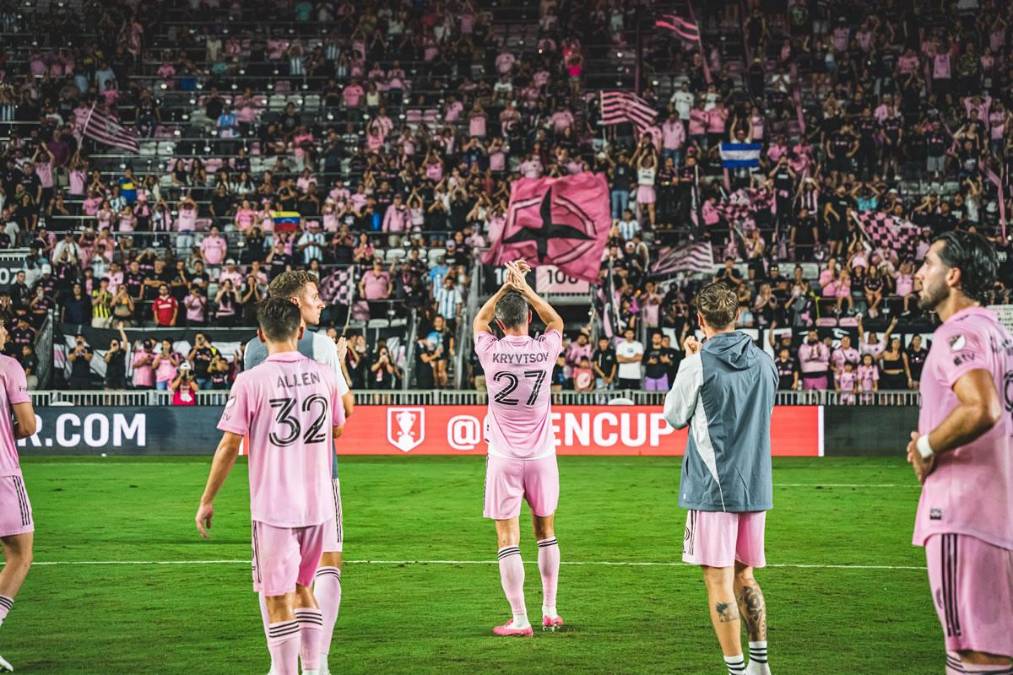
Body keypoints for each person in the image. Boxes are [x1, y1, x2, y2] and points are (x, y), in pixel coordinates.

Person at [196, 297, 346, 675]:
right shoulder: (325, 375)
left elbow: (229, 444)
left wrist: (207, 500)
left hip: (275, 508)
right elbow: (337, 428)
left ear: (261, 335)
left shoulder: (251, 381)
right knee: (304, 587)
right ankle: (314, 669)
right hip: (318, 506)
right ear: (300, 330)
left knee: (277, 597)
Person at [906, 231, 1012, 675]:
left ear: (953, 275)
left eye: (927, 264)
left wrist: (926, 444)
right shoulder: (997, 333)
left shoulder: (958, 333)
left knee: (973, 658)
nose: (918, 274)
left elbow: (983, 407)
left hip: (963, 515)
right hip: (999, 513)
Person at [663, 282, 777, 675]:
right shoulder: (765, 361)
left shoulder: (697, 364)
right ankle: (760, 666)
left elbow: (674, 416)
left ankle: (736, 670)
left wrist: (689, 361)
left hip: (714, 487)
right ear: (737, 316)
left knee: (718, 579)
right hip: (755, 483)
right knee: (746, 575)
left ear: (700, 319)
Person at [243, 270, 354, 675]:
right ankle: (318, 661)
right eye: (313, 295)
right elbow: (344, 413)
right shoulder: (321, 345)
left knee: (273, 578)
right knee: (327, 565)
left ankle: (279, 665)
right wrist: (340, 364)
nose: (320, 301)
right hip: (319, 474)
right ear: (294, 305)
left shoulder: (252, 350)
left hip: (269, 481)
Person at [473, 260, 564, 636]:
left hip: (504, 457)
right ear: (528, 318)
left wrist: (504, 287)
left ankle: (520, 618)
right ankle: (550, 609)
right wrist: (524, 287)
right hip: (542, 456)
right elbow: (555, 320)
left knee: (507, 539)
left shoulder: (490, 350)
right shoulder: (545, 349)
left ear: (499, 324)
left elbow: (479, 320)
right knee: (546, 532)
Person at [0, 317, 38, 672]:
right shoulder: (8, 367)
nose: (5, 332)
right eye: (0, 326)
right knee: (20, 554)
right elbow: (27, 425)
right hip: (2, 474)